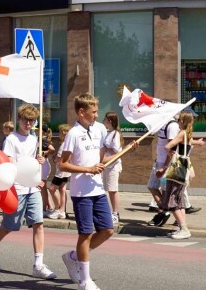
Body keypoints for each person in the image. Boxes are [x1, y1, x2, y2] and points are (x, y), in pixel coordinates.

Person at [59, 94, 132, 290]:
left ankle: (74, 256)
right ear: (81, 112)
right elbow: (63, 164)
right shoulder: (73, 134)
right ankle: (85, 280)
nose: (96, 115)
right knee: (85, 234)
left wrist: (125, 151)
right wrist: (87, 169)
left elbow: (100, 162)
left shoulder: (97, 131)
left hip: (98, 189)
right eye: (93, 112)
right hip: (81, 192)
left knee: (108, 229)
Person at [0, 104, 57, 280]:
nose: (28, 123)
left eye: (32, 120)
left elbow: (35, 163)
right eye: (26, 120)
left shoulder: (35, 140)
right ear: (19, 119)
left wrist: (41, 160)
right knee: (9, 226)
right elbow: (10, 164)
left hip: (32, 188)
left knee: (38, 223)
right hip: (16, 188)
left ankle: (38, 265)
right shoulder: (11, 139)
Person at [161, 111, 204, 239]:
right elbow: (191, 142)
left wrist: (172, 155)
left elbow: (167, 146)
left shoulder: (181, 133)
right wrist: (199, 142)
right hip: (184, 168)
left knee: (172, 200)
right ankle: (181, 228)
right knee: (179, 200)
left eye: (179, 119)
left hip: (177, 169)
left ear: (181, 121)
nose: (177, 121)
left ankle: (184, 229)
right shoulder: (188, 134)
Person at [146, 117, 180, 227]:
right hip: (159, 162)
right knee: (152, 186)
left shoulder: (172, 126)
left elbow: (171, 149)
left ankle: (177, 221)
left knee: (167, 192)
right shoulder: (163, 124)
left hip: (166, 165)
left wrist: (164, 167)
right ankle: (163, 211)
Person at [102, 112, 123, 224]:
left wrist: (106, 148)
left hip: (113, 165)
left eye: (105, 118)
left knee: (113, 189)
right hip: (107, 164)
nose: (103, 120)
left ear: (109, 120)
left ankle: (115, 213)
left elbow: (118, 151)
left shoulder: (116, 134)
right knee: (109, 190)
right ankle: (113, 212)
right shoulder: (108, 133)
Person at [47, 124, 71, 220]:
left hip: (61, 171)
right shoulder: (68, 143)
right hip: (66, 170)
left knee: (52, 188)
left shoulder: (64, 144)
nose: (60, 134)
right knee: (62, 189)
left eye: (60, 132)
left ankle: (58, 209)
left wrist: (55, 159)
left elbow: (59, 158)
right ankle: (62, 210)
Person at [38, 124, 56, 217]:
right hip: (43, 164)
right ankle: (49, 206)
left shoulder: (43, 139)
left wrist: (44, 153)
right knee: (42, 186)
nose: (36, 131)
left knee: (42, 186)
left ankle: (44, 208)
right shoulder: (40, 138)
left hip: (44, 164)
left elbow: (52, 149)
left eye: (37, 129)